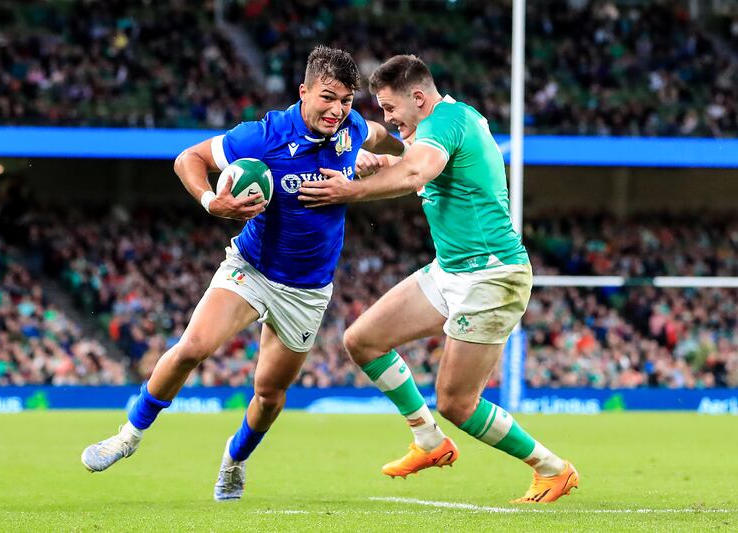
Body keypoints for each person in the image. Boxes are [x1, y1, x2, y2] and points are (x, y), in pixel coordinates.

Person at [80, 46, 406, 501]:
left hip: (308, 290)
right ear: (304, 91)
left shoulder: (351, 129)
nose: (337, 109)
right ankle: (127, 436)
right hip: (251, 268)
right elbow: (187, 159)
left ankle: (234, 461)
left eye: (347, 100)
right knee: (193, 347)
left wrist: (402, 152)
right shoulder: (262, 136)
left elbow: (383, 138)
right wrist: (212, 201)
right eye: (328, 97)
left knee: (270, 395)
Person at [299, 54, 578, 504]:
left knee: (456, 403)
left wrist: (350, 189)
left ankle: (553, 469)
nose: (388, 120)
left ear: (419, 97)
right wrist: (374, 163)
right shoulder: (444, 123)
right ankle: (428, 442)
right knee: (363, 340)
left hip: (492, 275)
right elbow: (414, 159)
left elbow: (416, 171)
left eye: (391, 110)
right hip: (450, 270)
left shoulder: (446, 122)